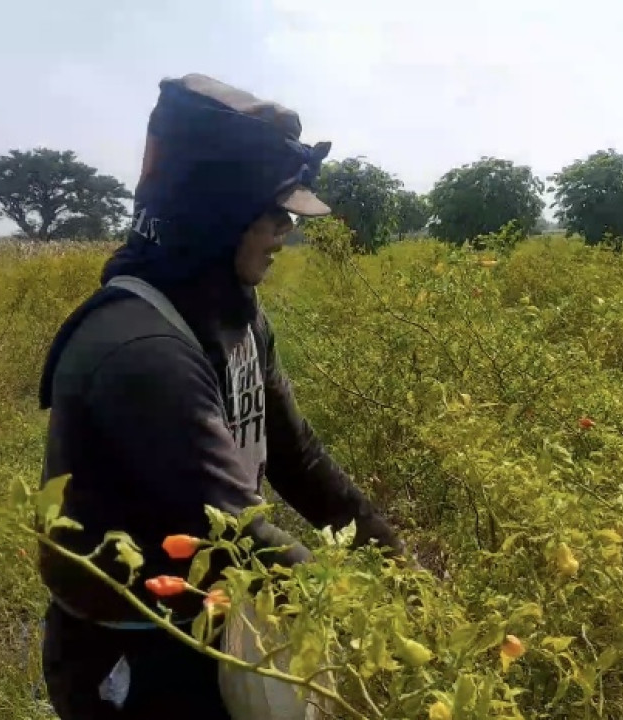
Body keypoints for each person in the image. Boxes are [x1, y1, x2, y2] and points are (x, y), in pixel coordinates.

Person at [33, 74, 404, 718]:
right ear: (216, 212)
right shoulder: (142, 351)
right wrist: (367, 619)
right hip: (133, 654)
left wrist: (392, 558)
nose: (287, 230)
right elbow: (236, 532)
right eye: (275, 212)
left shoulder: (233, 313)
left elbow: (296, 456)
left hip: (209, 619)